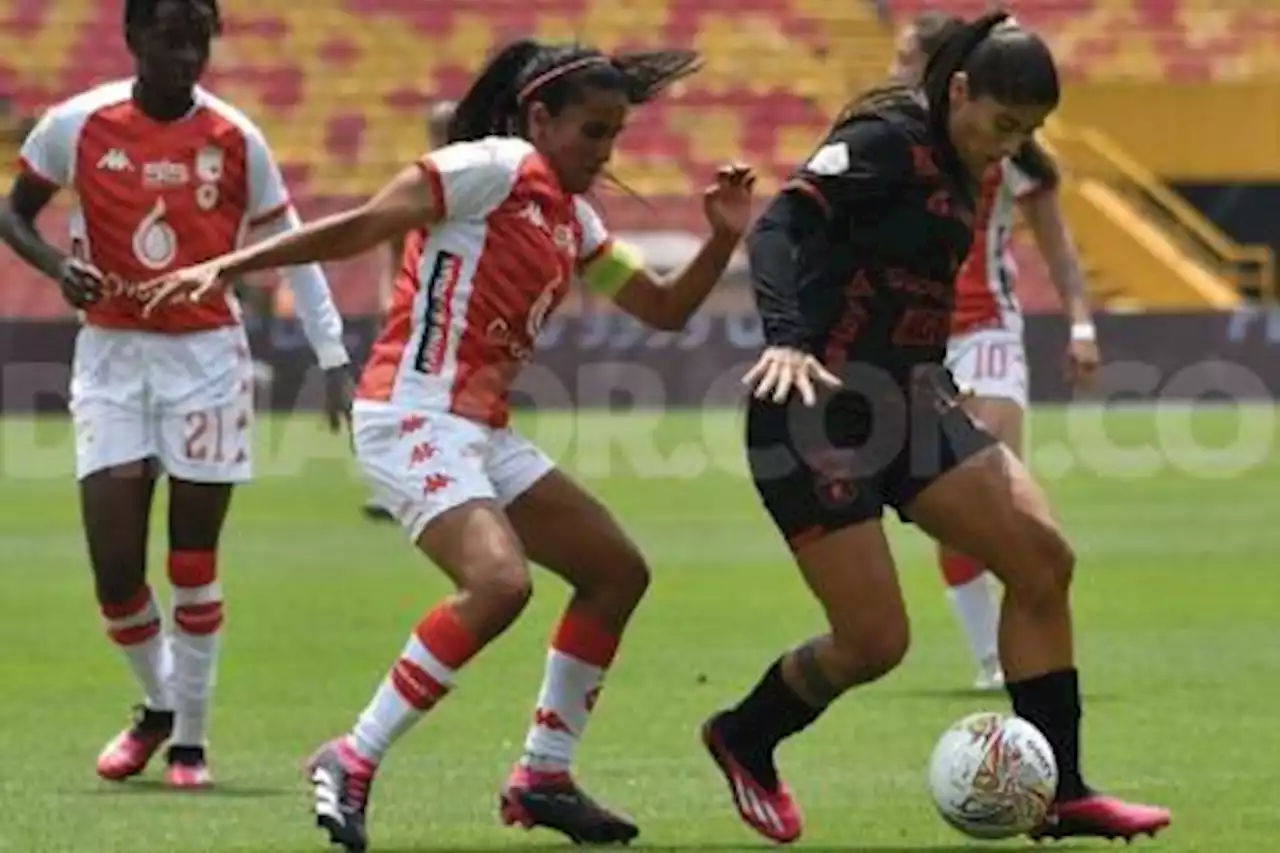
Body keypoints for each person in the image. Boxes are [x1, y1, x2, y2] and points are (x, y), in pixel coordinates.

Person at [141, 39, 754, 851]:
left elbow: (666, 308)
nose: (605, 152)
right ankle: (352, 755)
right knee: (499, 583)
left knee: (615, 572)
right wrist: (230, 265)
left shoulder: (576, 222)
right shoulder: (490, 166)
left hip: (481, 427)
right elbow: (362, 225)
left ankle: (543, 772)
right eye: (592, 132)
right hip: (409, 411)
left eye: (615, 135)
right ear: (540, 116)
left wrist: (720, 237)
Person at [701, 12, 1170, 845]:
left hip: (914, 404)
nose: (1010, 143)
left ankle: (1061, 791)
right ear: (959, 91)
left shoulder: (972, 162)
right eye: (1002, 123)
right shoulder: (888, 138)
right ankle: (745, 734)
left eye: (1028, 131)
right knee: (876, 641)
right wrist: (786, 336)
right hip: (816, 408)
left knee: (1041, 559)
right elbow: (781, 224)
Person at [0, 0, 352, 790]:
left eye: (198, 41)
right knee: (116, 569)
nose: (186, 55)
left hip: (205, 363)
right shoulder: (77, 124)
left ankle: (190, 742)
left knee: (192, 562)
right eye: (169, 39)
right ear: (132, 40)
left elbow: (296, 247)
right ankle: (161, 704)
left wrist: (333, 353)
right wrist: (58, 267)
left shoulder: (234, 137)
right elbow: (13, 213)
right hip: (112, 361)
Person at [890, 11, 1100, 692]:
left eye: (905, 60)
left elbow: (1059, 249)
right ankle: (990, 656)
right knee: (962, 512)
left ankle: (1009, 654)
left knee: (994, 489)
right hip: (921, 341)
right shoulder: (892, 149)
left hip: (988, 333)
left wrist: (1080, 325)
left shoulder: (1012, 160)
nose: (894, 72)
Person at [363, 98, 457, 523]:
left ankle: (433, 480)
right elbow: (391, 244)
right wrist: (389, 297)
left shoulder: (465, 183)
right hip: (415, 311)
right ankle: (397, 485)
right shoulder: (419, 184)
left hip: (450, 312)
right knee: (406, 398)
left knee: (444, 399)